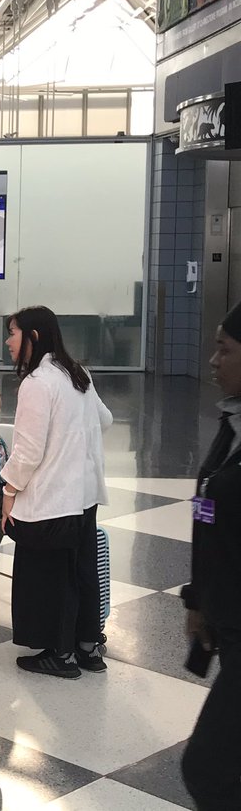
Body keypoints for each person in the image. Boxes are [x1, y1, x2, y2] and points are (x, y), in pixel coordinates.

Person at [0, 306, 112, 678]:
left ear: (33, 336)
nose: (8, 341)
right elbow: (105, 420)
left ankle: (60, 655)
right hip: (84, 495)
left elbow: (28, 451)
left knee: (51, 577)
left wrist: (9, 491)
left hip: (52, 500)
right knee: (82, 571)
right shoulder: (78, 373)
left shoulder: (37, 382)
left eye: (13, 333)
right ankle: (87, 648)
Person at [180, 302, 241, 809]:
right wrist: (197, 599)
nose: (213, 360)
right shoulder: (232, 421)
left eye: (225, 349)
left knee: (206, 767)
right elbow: (208, 506)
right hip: (227, 617)